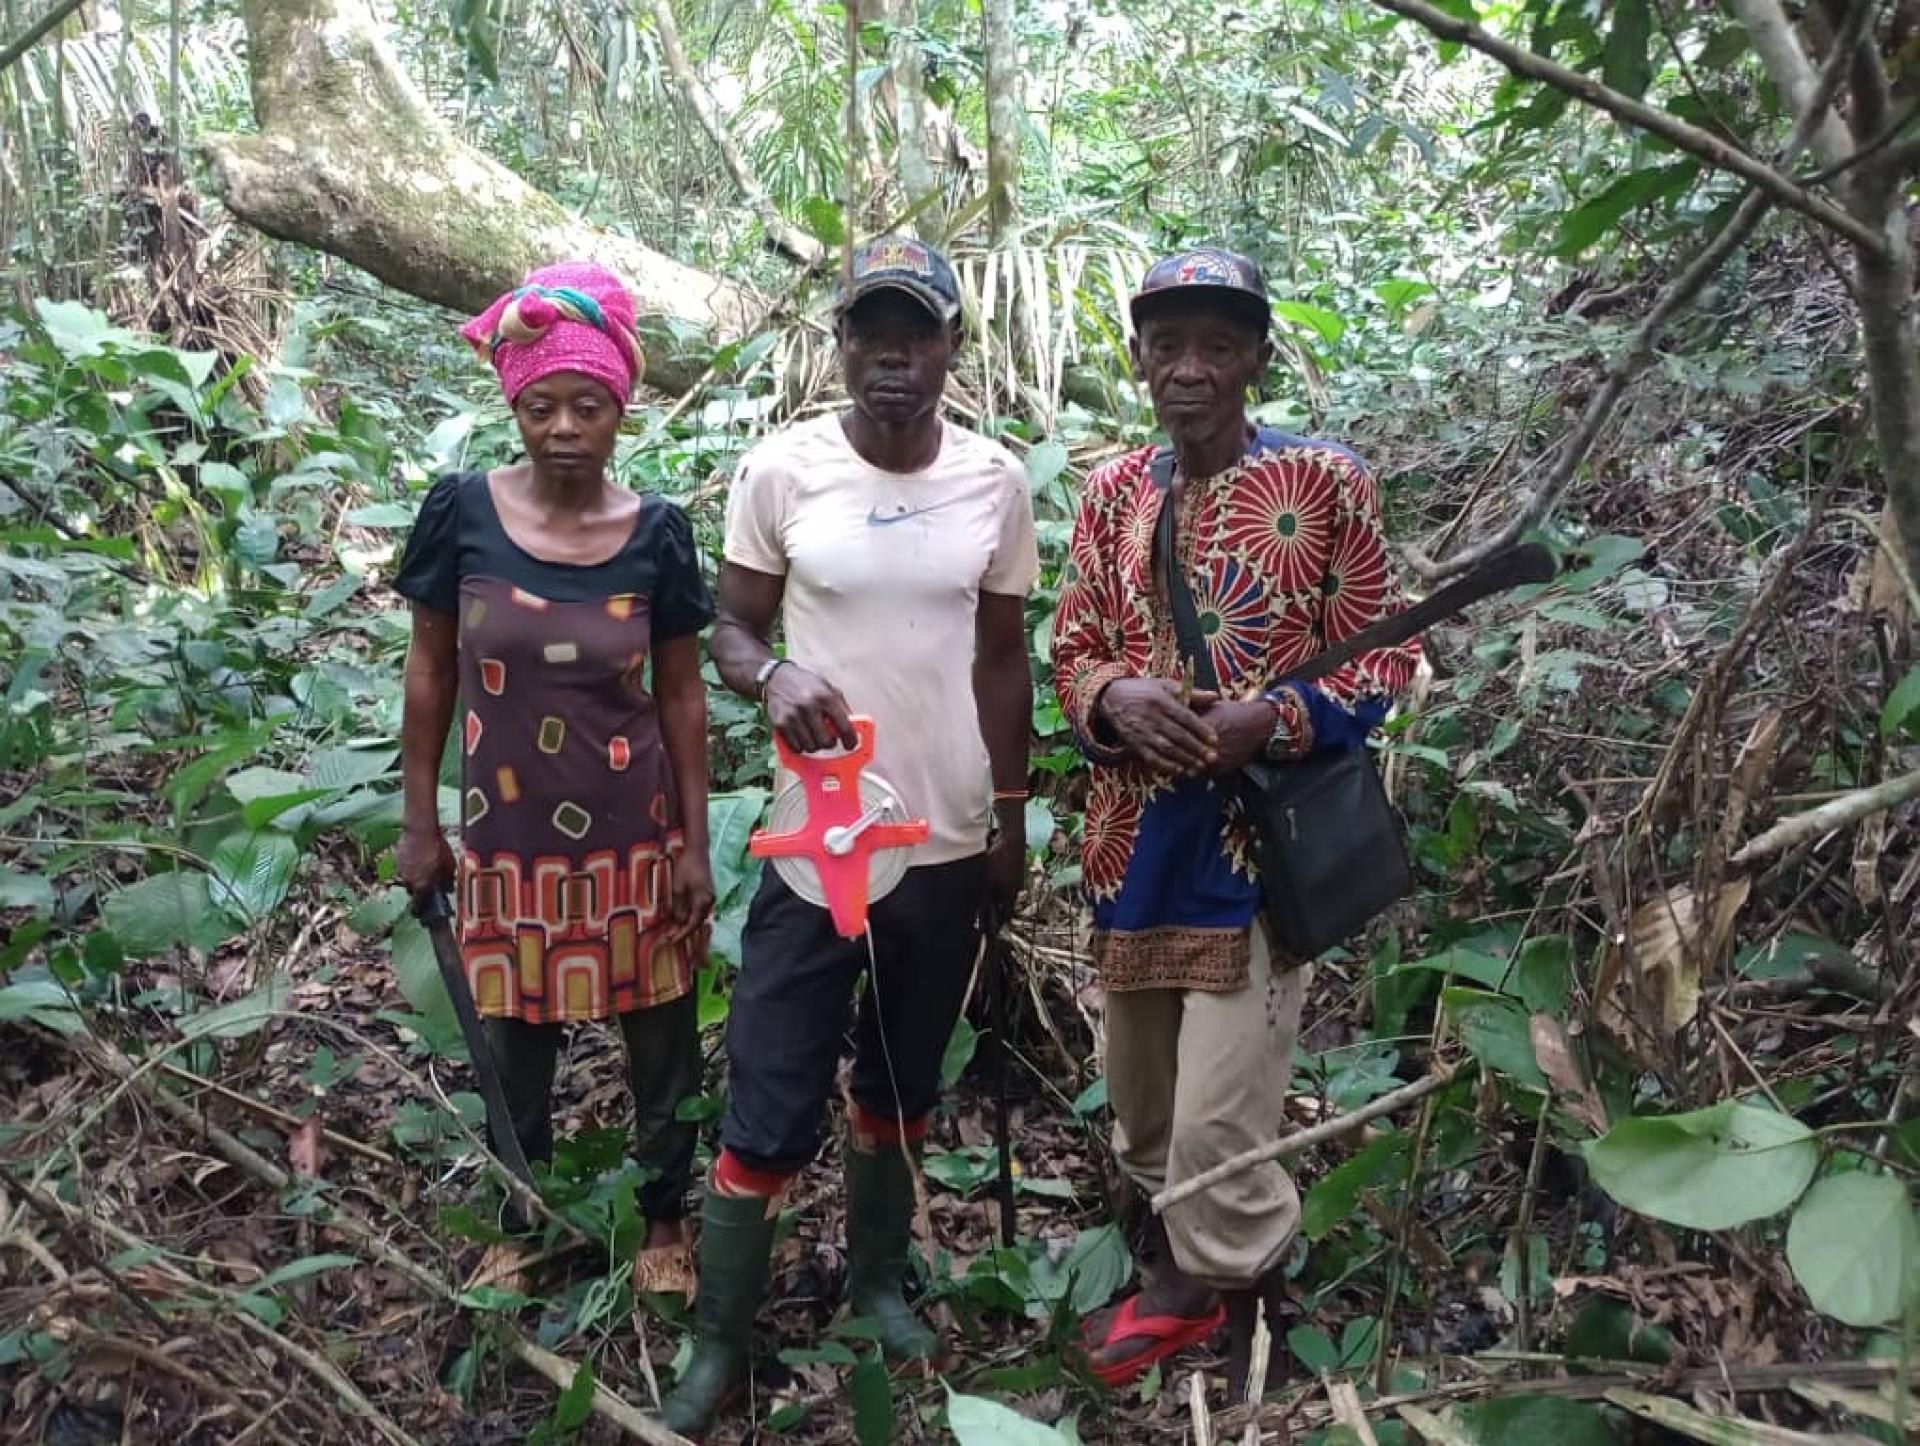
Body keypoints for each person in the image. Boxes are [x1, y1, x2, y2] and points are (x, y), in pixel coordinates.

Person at [658, 236, 1039, 1434]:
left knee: (903, 1075)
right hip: (813, 844)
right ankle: (721, 1340)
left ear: (949, 349)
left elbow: (1002, 658)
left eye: (916, 334)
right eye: (871, 333)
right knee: (772, 1089)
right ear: (841, 345)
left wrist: (1012, 816)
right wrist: (769, 674)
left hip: (944, 835)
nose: (893, 357)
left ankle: (877, 1283)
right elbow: (730, 629)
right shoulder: (784, 470)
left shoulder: (994, 481)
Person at [1051, 248, 1420, 1397]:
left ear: (1256, 358)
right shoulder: (1113, 494)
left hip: (1255, 853)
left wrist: (1279, 716)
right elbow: (1074, 647)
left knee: (1221, 1113)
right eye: (1168, 346)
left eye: (1218, 346)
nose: (1190, 369)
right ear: (1138, 359)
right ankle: (1186, 1239)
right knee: (1142, 1103)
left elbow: (1387, 653)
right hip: (1132, 847)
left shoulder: (1323, 482)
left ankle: (1220, 1288)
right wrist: (1114, 696)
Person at [392, 260, 716, 1298]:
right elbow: (430, 671)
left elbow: (682, 697)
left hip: (638, 835)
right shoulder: (463, 515)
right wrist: (420, 822)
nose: (565, 428)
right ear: (514, 410)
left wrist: (697, 844)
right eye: (542, 407)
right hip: (510, 835)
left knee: (660, 1036)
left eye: (588, 406)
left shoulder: (657, 532)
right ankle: (520, 1220)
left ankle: (664, 1223)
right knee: (516, 1036)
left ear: (621, 409)